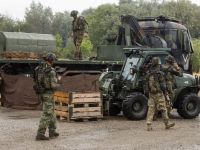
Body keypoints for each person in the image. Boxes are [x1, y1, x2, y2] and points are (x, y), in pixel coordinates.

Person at [145, 57, 175, 131]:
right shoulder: (159, 73)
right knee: (163, 109)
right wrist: (165, 91)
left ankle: (149, 125)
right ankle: (167, 124)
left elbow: (146, 84)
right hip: (159, 93)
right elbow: (163, 84)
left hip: (151, 93)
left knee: (151, 109)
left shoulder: (148, 73)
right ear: (158, 63)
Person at [35, 53, 60, 140]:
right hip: (48, 94)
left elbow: (35, 80)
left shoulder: (38, 68)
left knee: (52, 112)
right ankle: (40, 134)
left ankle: (52, 131)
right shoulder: (51, 71)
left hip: (41, 93)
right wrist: (58, 84)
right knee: (47, 113)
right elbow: (53, 85)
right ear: (51, 60)